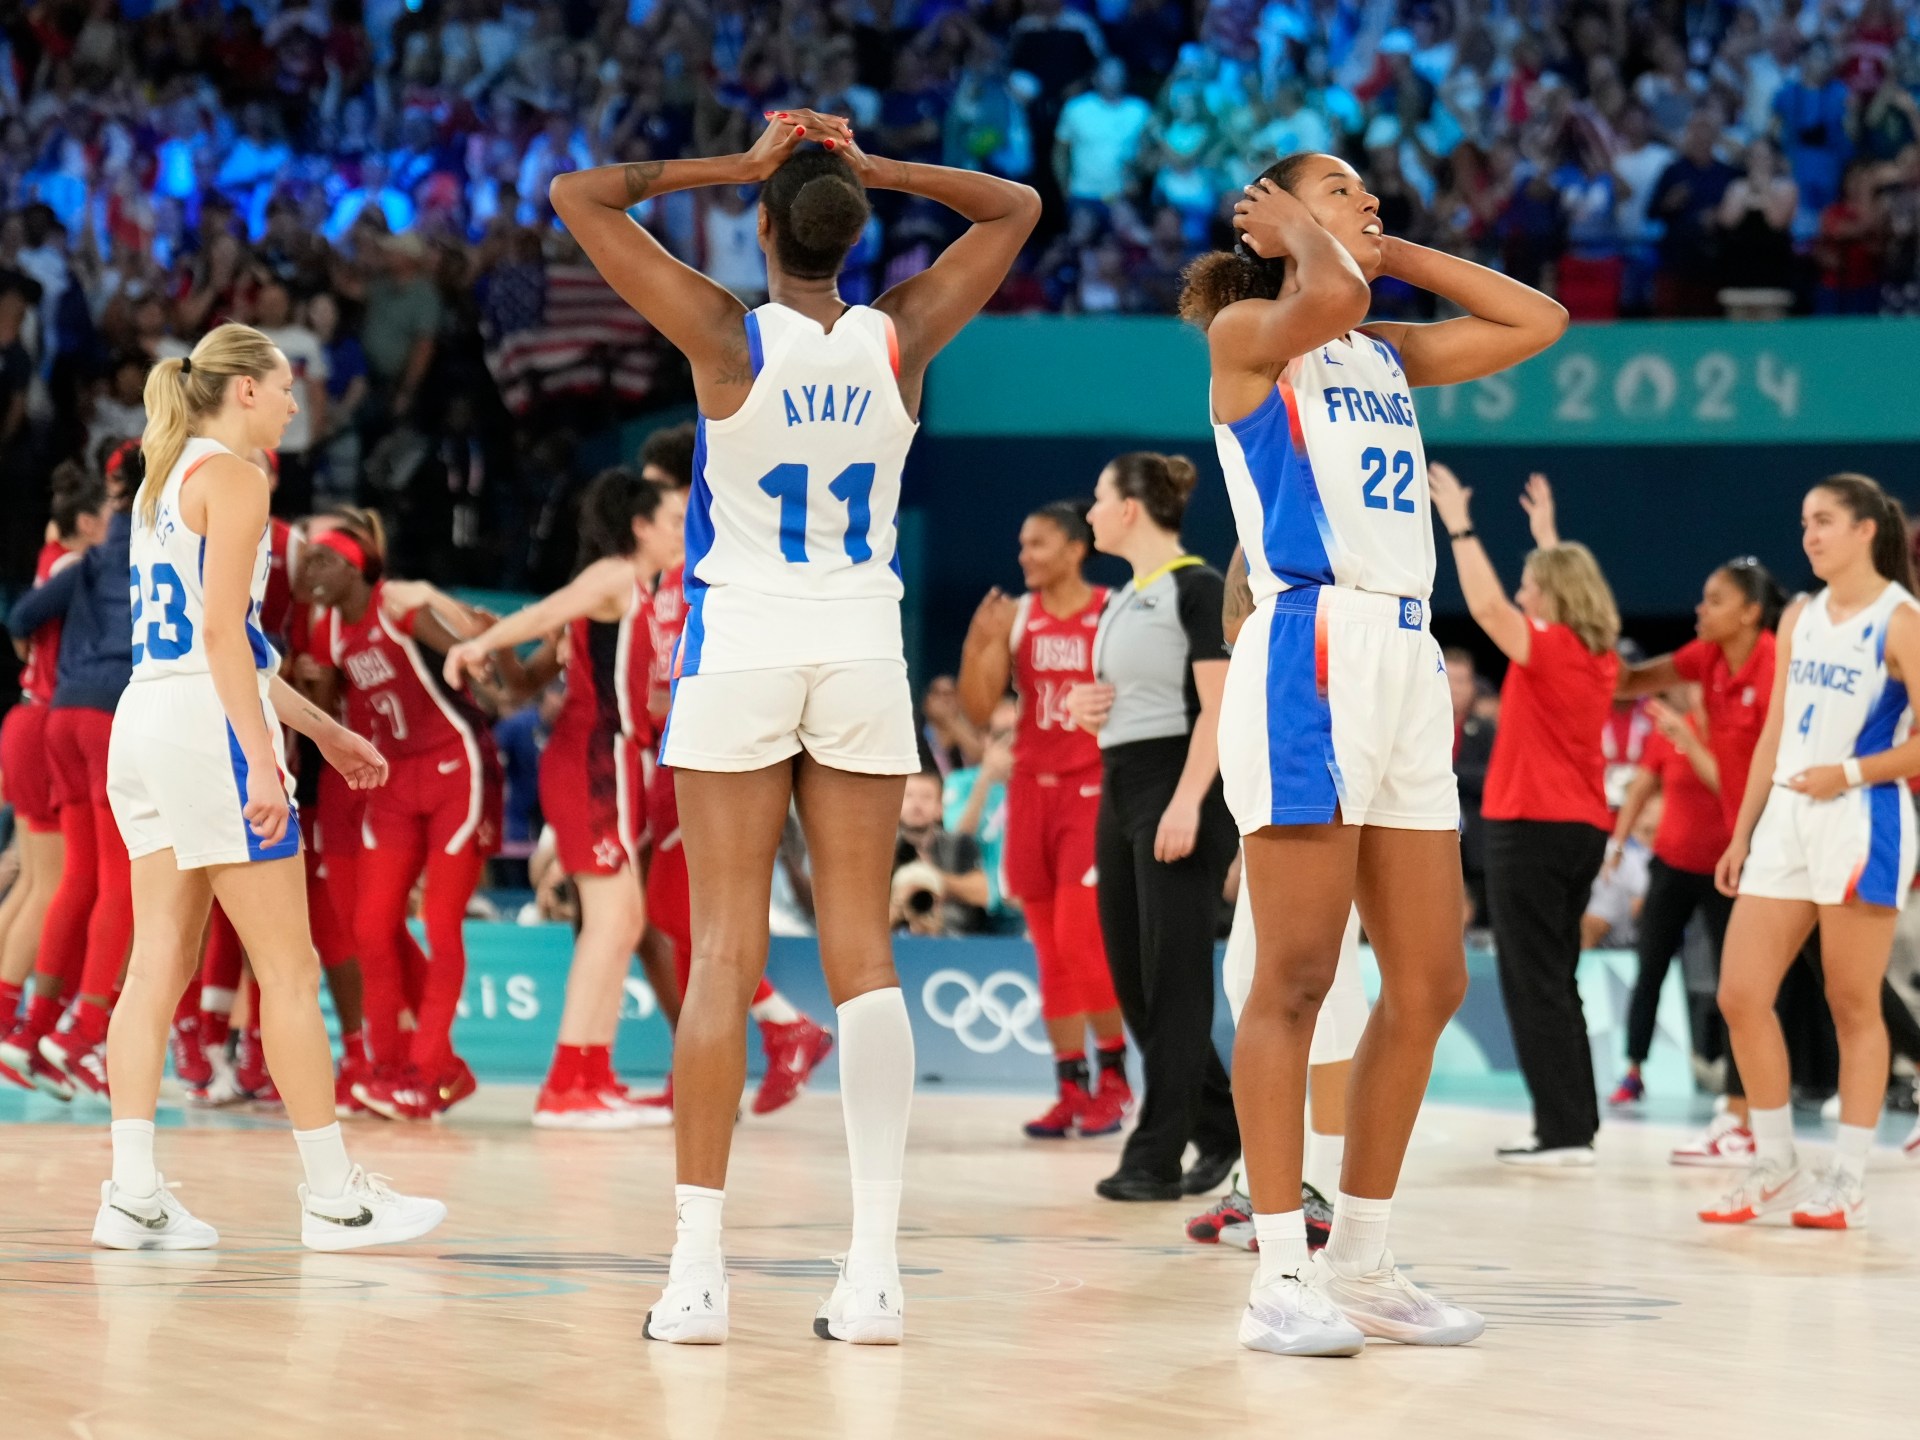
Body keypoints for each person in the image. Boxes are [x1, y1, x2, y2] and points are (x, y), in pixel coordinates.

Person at [547, 110, 1037, 1345]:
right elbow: (1015, 208)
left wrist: (744, 162)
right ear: (861, 231)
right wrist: (868, 168)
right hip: (864, 643)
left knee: (720, 954)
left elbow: (582, 196)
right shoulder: (904, 334)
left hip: (743, 644)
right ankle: (873, 1275)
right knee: (865, 958)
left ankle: (697, 1277)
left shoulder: (723, 334)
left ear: (761, 230)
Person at [1185, 149, 1565, 1356]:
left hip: (1407, 655)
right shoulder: (1257, 327)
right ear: (1284, 216)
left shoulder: (1378, 345)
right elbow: (1331, 293)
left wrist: (1383, 249)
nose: (1372, 204)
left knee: (1434, 980)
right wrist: (1315, 242)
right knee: (1295, 976)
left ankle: (1365, 1254)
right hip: (1313, 642)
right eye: (1346, 191)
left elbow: (1535, 317)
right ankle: (1277, 1274)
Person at [96, 322, 444, 1250]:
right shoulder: (240, 480)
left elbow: (225, 650)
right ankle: (335, 1197)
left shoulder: (161, 483)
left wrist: (325, 730)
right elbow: (222, 643)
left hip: (145, 722)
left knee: (156, 965)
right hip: (205, 727)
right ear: (244, 388)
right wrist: (259, 759)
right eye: (288, 385)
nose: (297, 403)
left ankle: (129, 1193)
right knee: (288, 971)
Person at [1702, 474, 1920, 1231]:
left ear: (1866, 530)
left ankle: (1849, 1176)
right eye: (1804, 524)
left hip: (1864, 816)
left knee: (1851, 1003)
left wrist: (1851, 772)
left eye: (1824, 521)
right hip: (1789, 816)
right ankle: (1776, 1160)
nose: (1810, 536)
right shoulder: (1799, 614)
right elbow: (1775, 733)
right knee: (1740, 993)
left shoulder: (1901, 620)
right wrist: (1744, 831)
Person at [445, 468, 682, 1130]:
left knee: (623, 924)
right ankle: (567, 1086)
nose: (680, 533)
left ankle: (592, 1075)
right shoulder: (613, 577)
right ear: (640, 527)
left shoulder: (641, 586)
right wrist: (477, 646)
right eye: (670, 521)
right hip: (591, 762)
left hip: (616, 761)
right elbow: (545, 613)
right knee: (610, 926)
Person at [638, 421, 837, 1122]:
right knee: (675, 915)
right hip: (666, 751)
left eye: (657, 499)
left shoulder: (716, 560)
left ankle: (787, 1026)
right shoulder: (661, 578)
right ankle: (723, 1052)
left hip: (709, 747)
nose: (648, 515)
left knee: (681, 910)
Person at [1431, 468, 1620, 1167]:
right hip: (1578, 830)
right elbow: (1552, 587)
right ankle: (1573, 1126)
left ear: (1552, 599)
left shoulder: (1553, 649)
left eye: (1531, 587)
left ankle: (1564, 1133)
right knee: (1555, 975)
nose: (1519, 595)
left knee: (1532, 978)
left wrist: (1459, 522)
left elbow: (1483, 605)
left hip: (1532, 830)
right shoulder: (1595, 653)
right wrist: (1546, 537)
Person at [1068, 451, 1239, 1203]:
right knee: (1135, 981)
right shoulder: (1119, 600)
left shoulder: (1196, 589)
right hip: (1122, 785)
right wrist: (1085, 709)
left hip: (1180, 784)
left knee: (1175, 981)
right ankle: (1221, 1123)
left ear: (1131, 507)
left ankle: (1155, 1155)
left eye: (1099, 499)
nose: (1091, 512)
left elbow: (1218, 707)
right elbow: (1121, 697)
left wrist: (1189, 801)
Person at [299, 524, 502, 1121]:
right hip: (392, 779)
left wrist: (435, 598)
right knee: (370, 925)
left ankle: (429, 1068)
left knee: (440, 922)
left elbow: (469, 640)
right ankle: (383, 1066)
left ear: (357, 569)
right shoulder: (330, 628)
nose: (308, 573)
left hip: (453, 767)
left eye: (320, 563)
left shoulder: (394, 605)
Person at [957, 499, 1131, 1141]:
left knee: (1082, 942)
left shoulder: (1114, 609)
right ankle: (1069, 1086)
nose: (1025, 556)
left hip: (1091, 789)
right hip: (1029, 791)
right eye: (1022, 545)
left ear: (1075, 549)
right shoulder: (1018, 616)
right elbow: (978, 709)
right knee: (1049, 951)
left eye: (1038, 545)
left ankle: (1114, 1079)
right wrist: (979, 641)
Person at [1618, 557, 1787, 1165]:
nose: (1699, 609)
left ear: (1749, 611)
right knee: (1747, 989)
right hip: (1747, 846)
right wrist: (1583, 634)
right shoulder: (1706, 658)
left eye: (1714, 600)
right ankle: (1743, 1122)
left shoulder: (1776, 663)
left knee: (1829, 987)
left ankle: (1749, 1123)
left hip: (1790, 836)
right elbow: (1629, 682)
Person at [4, 449, 139, 1099]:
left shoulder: (81, 560)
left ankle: (26, 1029)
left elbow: (21, 618)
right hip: (110, 716)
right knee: (113, 886)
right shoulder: (157, 550)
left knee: (57, 883)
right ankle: (78, 1031)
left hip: (56, 713)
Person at [1605, 690, 1730, 1107]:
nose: (1699, 693)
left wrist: (1691, 742)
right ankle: (1633, 1069)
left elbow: (1724, 785)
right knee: (1650, 969)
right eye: (1694, 685)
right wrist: (1618, 844)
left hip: (1721, 870)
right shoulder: (1669, 734)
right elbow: (1641, 787)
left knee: (1733, 978)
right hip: (1671, 864)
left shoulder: (1733, 732)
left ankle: (1738, 1079)